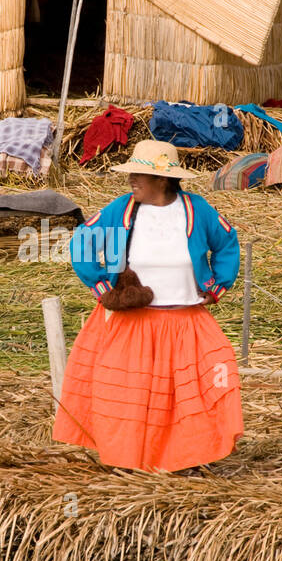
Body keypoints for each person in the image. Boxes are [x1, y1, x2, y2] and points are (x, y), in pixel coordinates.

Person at [53, 140, 243, 472]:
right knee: (131, 396)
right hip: (135, 323)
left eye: (140, 174)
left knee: (194, 391)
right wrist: (102, 286)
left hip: (186, 320)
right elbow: (83, 241)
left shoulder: (196, 210)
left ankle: (188, 458)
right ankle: (127, 460)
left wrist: (217, 285)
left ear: (163, 180)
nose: (132, 181)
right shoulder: (122, 211)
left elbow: (227, 241)